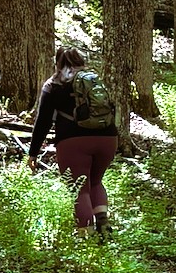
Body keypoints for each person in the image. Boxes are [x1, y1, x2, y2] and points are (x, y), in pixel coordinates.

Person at [27, 45, 120, 234]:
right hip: (108, 139)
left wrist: (33, 152)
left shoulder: (53, 85)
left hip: (73, 142)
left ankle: (86, 240)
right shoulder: (94, 82)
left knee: (80, 188)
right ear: (81, 61)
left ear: (57, 63)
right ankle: (102, 223)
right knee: (95, 181)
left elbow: (43, 121)